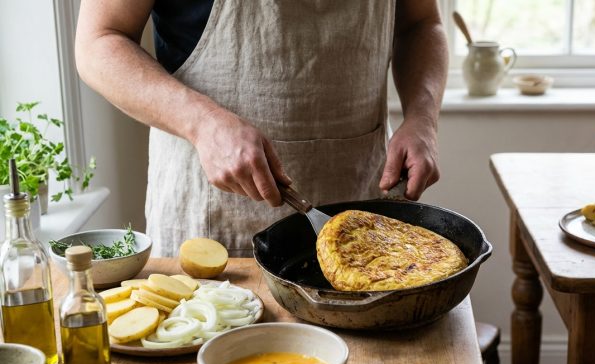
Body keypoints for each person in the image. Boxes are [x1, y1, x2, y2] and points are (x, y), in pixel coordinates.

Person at [75, 0, 448, 256]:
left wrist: (423, 118)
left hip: (360, 212)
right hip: (214, 224)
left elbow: (422, 24)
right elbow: (98, 41)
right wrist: (203, 124)